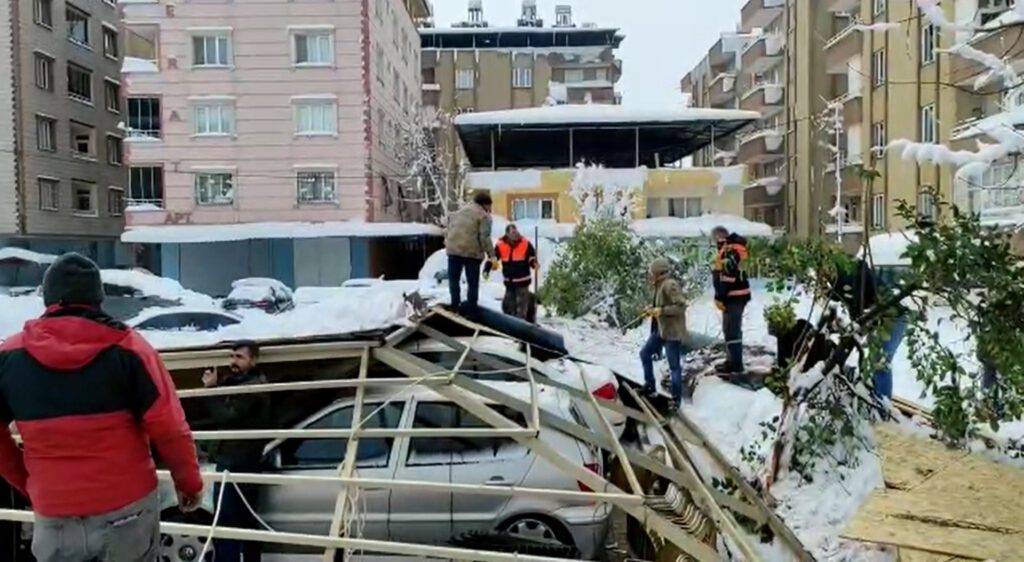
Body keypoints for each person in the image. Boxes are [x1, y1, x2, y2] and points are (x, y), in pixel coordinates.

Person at [0, 253, 203, 562]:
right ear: (99, 298)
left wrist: (28, 482)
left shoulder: (9, 358)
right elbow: (170, 428)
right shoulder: (131, 350)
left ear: (48, 297)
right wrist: (188, 484)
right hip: (127, 510)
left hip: (55, 513)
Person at [192, 341, 271, 562]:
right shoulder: (239, 383)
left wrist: (211, 390)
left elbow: (228, 416)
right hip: (236, 461)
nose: (233, 362)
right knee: (243, 521)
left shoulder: (253, 388)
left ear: (253, 360)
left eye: (239, 357)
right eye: (232, 356)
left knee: (228, 522)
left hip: (239, 463)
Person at [639, 258, 691, 403]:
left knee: (674, 367)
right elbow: (660, 305)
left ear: (658, 272)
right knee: (645, 354)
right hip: (661, 331)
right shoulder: (659, 285)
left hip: (672, 333)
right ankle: (649, 386)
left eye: (651, 272)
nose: (650, 275)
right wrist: (651, 310)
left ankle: (676, 400)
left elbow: (681, 306)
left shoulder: (670, 285)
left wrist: (660, 311)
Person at [711, 226, 752, 375]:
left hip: (734, 296)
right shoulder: (732, 249)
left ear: (720, 238)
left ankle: (735, 366)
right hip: (735, 295)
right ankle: (731, 361)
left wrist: (719, 297)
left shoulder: (731, 250)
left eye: (716, 239)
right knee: (729, 329)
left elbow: (728, 276)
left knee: (732, 331)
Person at [445, 191, 495, 311]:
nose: (490, 209)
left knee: (454, 280)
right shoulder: (483, 216)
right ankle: (471, 308)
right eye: (489, 206)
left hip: (453, 251)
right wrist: (491, 255)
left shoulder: (458, 213)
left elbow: (447, 231)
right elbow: (484, 237)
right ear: (485, 204)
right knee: (472, 283)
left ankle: (454, 305)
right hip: (471, 253)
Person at [485, 224, 539, 322]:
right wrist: (486, 269)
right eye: (512, 233)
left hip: (523, 281)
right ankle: (511, 324)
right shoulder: (501, 245)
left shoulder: (525, 243)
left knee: (521, 307)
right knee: (507, 305)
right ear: (507, 234)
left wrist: (534, 263)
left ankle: (523, 325)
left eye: (516, 232)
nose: (515, 235)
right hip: (509, 282)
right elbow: (493, 258)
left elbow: (532, 257)